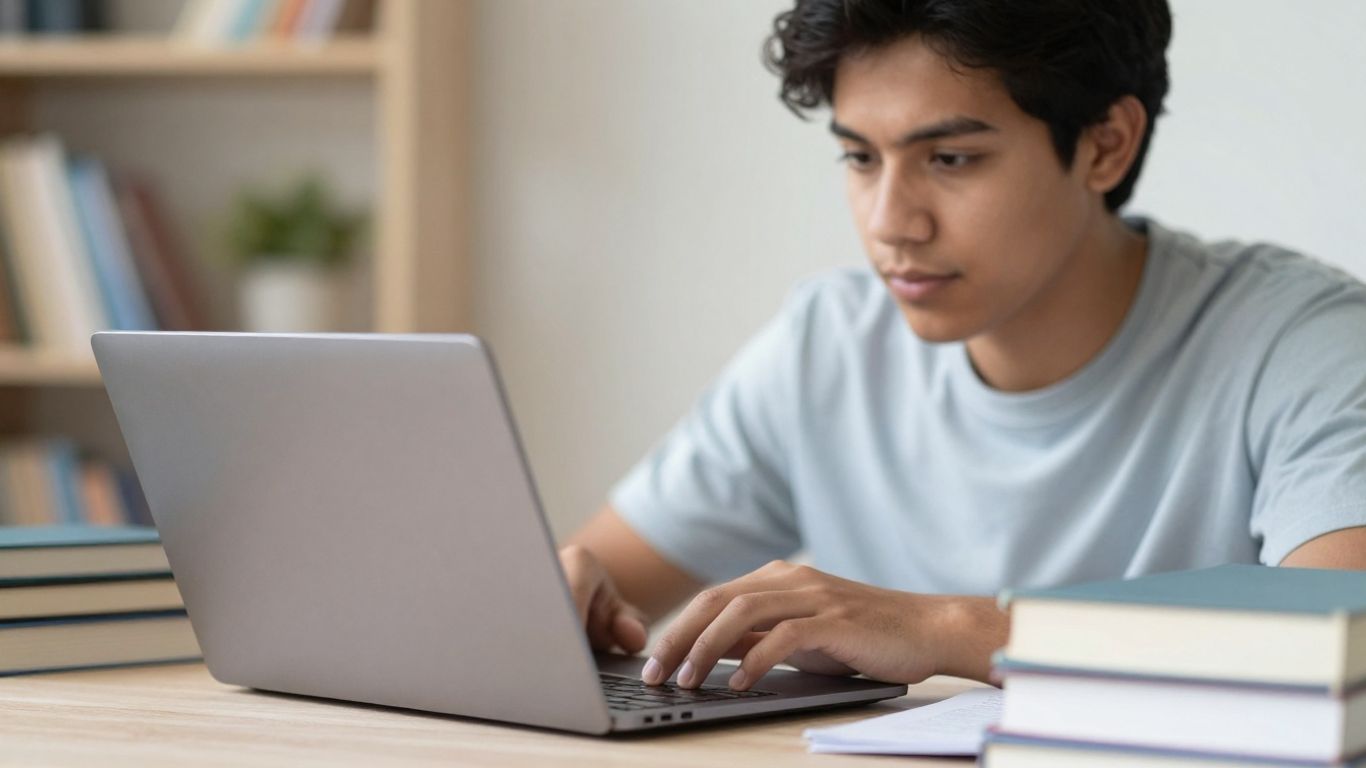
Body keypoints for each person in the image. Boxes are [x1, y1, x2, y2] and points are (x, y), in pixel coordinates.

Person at [559, 0, 1366, 694]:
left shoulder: (1305, 344)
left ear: (1106, 144)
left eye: (950, 159)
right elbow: (596, 581)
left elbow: (1341, 646)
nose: (890, 223)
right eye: (860, 157)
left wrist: (946, 628)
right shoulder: (830, 345)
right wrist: (562, 590)